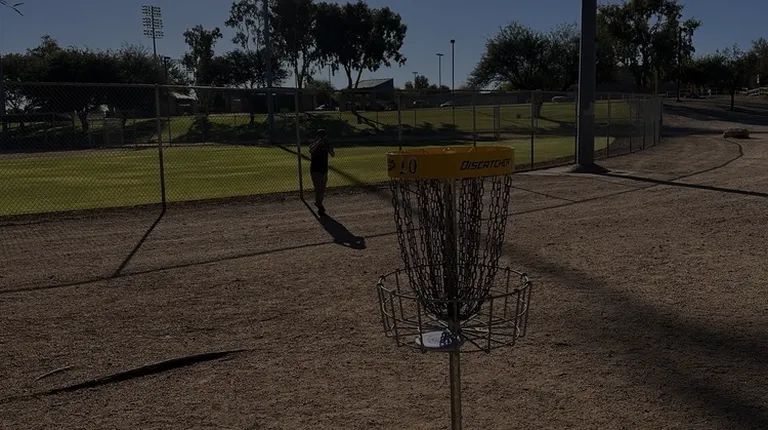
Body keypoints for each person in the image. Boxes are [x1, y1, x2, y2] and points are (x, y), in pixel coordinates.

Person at [309, 129, 334, 216]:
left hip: (324, 170)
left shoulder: (327, 144)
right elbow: (311, 150)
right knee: (318, 188)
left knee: (322, 189)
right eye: (320, 136)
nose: (322, 137)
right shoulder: (313, 143)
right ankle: (319, 204)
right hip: (315, 170)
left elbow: (332, 154)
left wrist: (328, 147)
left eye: (323, 136)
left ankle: (318, 203)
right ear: (317, 136)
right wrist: (318, 143)